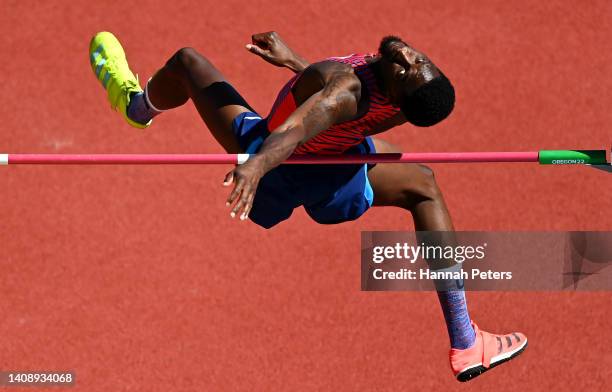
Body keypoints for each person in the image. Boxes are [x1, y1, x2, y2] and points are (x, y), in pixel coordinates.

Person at [89, 31, 527, 381]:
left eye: (408, 69)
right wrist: (300, 66)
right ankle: (467, 341)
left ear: (396, 93)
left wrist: (255, 166)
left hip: (284, 164)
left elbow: (298, 128)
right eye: (420, 60)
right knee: (422, 184)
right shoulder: (396, 101)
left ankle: (137, 106)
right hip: (338, 168)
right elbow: (331, 100)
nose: (409, 55)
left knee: (187, 61)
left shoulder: (346, 92)